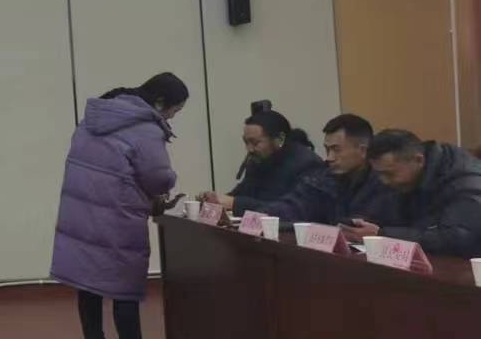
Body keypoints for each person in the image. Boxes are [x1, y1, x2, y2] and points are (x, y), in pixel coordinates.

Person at [50, 72, 189, 339]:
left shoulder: (94, 118)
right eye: (174, 110)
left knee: (89, 284)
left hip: (81, 211)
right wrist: (169, 183)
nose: (171, 117)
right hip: (116, 215)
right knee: (125, 286)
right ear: (160, 102)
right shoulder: (145, 128)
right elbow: (158, 177)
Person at [203, 114, 396, 226]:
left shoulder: (385, 179)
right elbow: (291, 206)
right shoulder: (326, 177)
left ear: (362, 151)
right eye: (327, 149)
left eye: (336, 150)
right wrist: (255, 219)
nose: (329, 158)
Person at [345, 130, 481, 255]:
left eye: (389, 174)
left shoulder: (465, 182)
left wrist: (383, 234)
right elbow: (381, 213)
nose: (383, 181)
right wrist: (357, 224)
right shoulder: (400, 178)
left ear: (418, 160)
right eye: (378, 173)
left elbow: (458, 238)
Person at [213, 109, 322, 209]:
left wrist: (235, 204)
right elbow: (240, 194)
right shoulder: (257, 161)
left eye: (255, 142)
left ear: (280, 139)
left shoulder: (307, 164)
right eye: (246, 142)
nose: (249, 149)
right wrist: (216, 201)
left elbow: (290, 209)